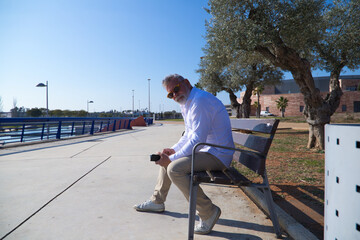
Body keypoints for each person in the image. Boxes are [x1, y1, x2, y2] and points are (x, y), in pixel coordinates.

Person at [134, 74, 234, 235]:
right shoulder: (187, 102)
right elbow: (188, 134)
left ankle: (208, 212)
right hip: (207, 150)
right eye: (170, 94)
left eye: (176, 89)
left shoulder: (200, 101)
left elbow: (197, 138)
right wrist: (172, 150)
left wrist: (172, 158)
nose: (174, 95)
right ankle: (157, 201)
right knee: (166, 160)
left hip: (218, 154)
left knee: (174, 168)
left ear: (186, 83)